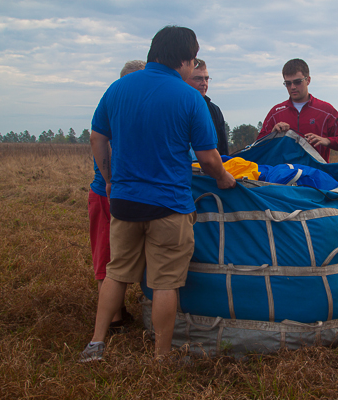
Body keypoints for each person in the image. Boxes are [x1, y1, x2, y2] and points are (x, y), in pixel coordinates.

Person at [80, 26, 236, 362]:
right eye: (192, 62)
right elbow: (209, 158)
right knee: (166, 281)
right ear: (184, 59)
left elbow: (97, 137)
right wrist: (224, 179)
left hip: (124, 201)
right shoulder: (189, 97)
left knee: (116, 271)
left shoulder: (118, 88)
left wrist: (109, 179)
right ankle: (161, 356)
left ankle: (96, 343)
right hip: (169, 206)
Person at [88, 60, 145, 335]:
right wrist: (110, 181)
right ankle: (112, 322)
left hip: (122, 193)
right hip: (106, 193)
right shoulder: (116, 106)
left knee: (118, 255)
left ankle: (119, 311)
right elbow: (99, 140)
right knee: (106, 257)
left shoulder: (125, 107)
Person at [257, 58, 338, 162]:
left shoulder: (326, 111)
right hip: (285, 176)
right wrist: (272, 133)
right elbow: (258, 145)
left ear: (308, 80)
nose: (292, 87)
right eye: (288, 83)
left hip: (316, 175)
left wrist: (326, 140)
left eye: (297, 82)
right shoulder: (276, 113)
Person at [185, 58, 229, 156]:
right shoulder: (177, 108)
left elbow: (223, 150)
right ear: (184, 79)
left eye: (206, 79)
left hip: (211, 169)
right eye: (198, 79)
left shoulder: (214, 110)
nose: (204, 83)